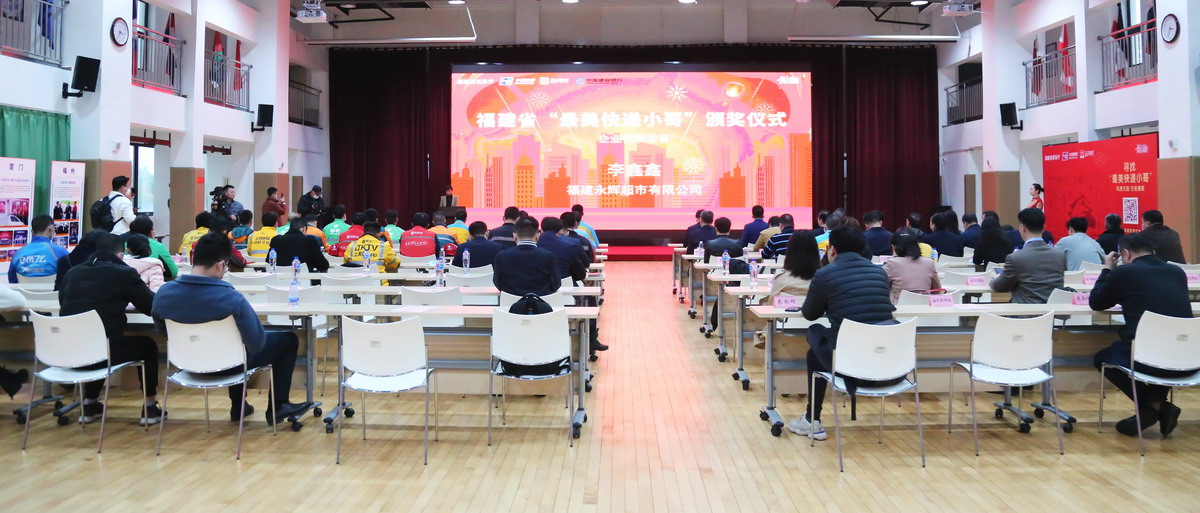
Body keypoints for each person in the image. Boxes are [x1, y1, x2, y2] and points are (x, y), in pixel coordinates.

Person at [153, 233, 309, 424]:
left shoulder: (163, 293)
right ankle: (278, 406)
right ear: (220, 265)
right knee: (287, 340)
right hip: (228, 364)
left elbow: (163, 331)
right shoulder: (230, 297)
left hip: (186, 363)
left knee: (237, 343)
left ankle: (239, 406)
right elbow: (257, 343)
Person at [788, 227, 897, 440]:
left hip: (850, 364)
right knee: (821, 345)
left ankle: (812, 420)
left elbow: (809, 314)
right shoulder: (879, 273)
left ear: (832, 250)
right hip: (886, 364)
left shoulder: (825, 274)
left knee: (814, 333)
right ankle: (811, 420)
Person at [1090, 232, 1194, 437]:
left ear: (1126, 254)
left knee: (1102, 358)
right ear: (1152, 250)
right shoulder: (1177, 272)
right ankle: (1155, 406)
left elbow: (1096, 302)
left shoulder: (1124, 273)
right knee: (1162, 357)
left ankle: (1154, 406)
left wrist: (1107, 269)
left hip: (1148, 356)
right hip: (1188, 357)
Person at [59, 233, 163, 425]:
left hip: (70, 352)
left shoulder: (73, 273)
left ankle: (89, 404)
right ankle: (150, 407)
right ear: (121, 254)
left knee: (98, 343)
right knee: (147, 345)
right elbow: (151, 306)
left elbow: (63, 303)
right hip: (103, 352)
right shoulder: (123, 273)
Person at [989, 208, 1066, 304]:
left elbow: (1000, 286)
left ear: (1022, 228)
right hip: (1052, 311)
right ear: (1044, 227)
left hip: (1024, 312)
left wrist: (994, 278)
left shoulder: (1015, 258)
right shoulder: (1060, 255)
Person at [492, 217, 561, 297]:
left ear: (515, 236)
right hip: (541, 302)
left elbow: (497, 282)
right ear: (538, 236)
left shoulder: (501, 256)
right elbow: (556, 284)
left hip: (510, 303)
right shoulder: (548, 256)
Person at [8, 214, 69, 283]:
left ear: (32, 232)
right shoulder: (61, 252)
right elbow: (70, 277)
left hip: (24, 290)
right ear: (51, 228)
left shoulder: (18, 254)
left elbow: (12, 281)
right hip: (53, 290)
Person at [883, 232, 941, 303]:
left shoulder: (890, 263)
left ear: (894, 248)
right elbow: (937, 289)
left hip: (898, 306)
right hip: (925, 305)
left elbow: (881, 287)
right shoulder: (929, 262)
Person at [537, 216, 588, 285]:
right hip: (565, 287)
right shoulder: (569, 246)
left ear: (541, 230)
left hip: (538, 288)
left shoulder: (535, 245)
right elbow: (580, 274)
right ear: (560, 231)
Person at [128, 215, 178, 280]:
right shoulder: (158, 246)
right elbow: (173, 272)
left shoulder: (125, 245)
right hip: (151, 282)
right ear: (151, 230)